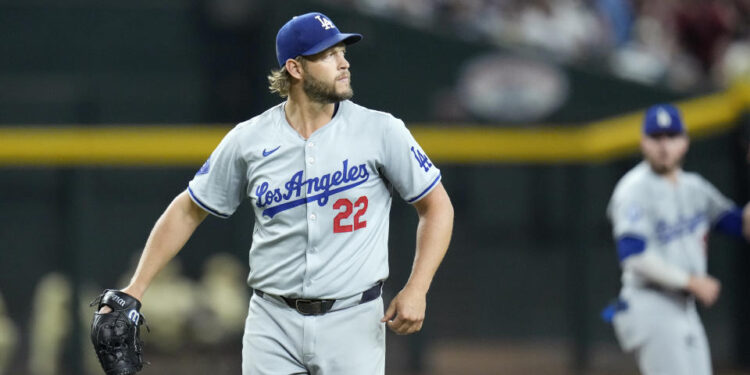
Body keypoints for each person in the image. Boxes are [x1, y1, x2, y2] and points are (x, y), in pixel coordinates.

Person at [97, 11, 454, 375]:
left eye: (343, 52)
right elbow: (188, 209)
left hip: (354, 320)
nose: (343, 63)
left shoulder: (380, 130)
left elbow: (437, 206)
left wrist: (417, 287)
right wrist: (137, 287)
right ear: (296, 69)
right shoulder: (249, 138)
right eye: (328, 55)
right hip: (272, 322)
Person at [605, 103, 750, 375]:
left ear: (684, 142)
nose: (664, 146)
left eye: (671, 137)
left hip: (683, 308)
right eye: (656, 137)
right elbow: (633, 254)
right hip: (650, 304)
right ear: (642, 142)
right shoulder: (634, 189)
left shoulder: (694, 187)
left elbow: (739, 225)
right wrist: (691, 281)